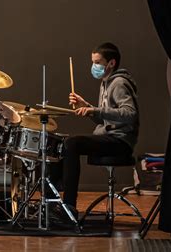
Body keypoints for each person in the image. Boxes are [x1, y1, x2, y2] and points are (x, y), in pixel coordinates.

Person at [56, 42, 139, 220]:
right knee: (65, 143)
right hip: (110, 136)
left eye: (98, 62)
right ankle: (60, 202)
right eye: (93, 62)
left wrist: (95, 110)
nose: (94, 66)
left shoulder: (118, 83)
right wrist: (86, 107)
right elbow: (105, 118)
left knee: (72, 143)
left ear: (111, 63)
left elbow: (130, 114)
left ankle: (69, 205)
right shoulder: (105, 83)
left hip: (120, 141)